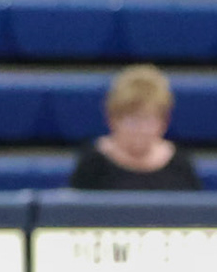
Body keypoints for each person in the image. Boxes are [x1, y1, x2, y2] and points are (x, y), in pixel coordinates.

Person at [69, 64, 202, 192]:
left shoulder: (180, 165)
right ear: (112, 119)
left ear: (164, 122)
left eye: (148, 120)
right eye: (132, 121)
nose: (141, 129)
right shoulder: (93, 164)